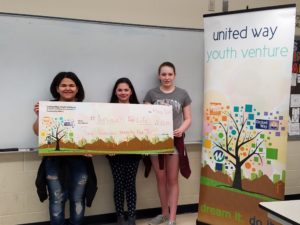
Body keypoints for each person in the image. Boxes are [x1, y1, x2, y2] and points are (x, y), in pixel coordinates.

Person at [33, 72, 98, 225]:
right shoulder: (49, 107)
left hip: (80, 161)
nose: (67, 88)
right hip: (53, 161)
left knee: (78, 199)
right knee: (56, 199)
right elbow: (37, 132)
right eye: (63, 85)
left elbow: (93, 133)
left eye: (71, 85)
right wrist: (39, 116)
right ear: (57, 88)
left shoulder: (86, 109)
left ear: (77, 89)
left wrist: (93, 148)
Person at [144, 62, 192, 225]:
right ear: (159, 76)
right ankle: (164, 213)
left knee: (172, 180)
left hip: (174, 142)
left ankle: (172, 218)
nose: (166, 77)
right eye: (163, 74)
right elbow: (145, 117)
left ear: (174, 75)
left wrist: (181, 129)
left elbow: (188, 118)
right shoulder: (151, 94)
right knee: (160, 178)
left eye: (170, 74)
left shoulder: (183, 94)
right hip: (156, 142)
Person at [107, 77, 142, 225]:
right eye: (120, 90)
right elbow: (104, 131)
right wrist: (108, 149)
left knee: (130, 184)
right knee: (119, 185)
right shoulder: (108, 110)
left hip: (134, 154)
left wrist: (147, 147)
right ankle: (120, 217)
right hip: (115, 154)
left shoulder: (139, 109)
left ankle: (132, 217)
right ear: (115, 92)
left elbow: (145, 130)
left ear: (131, 91)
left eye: (126, 90)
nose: (123, 92)